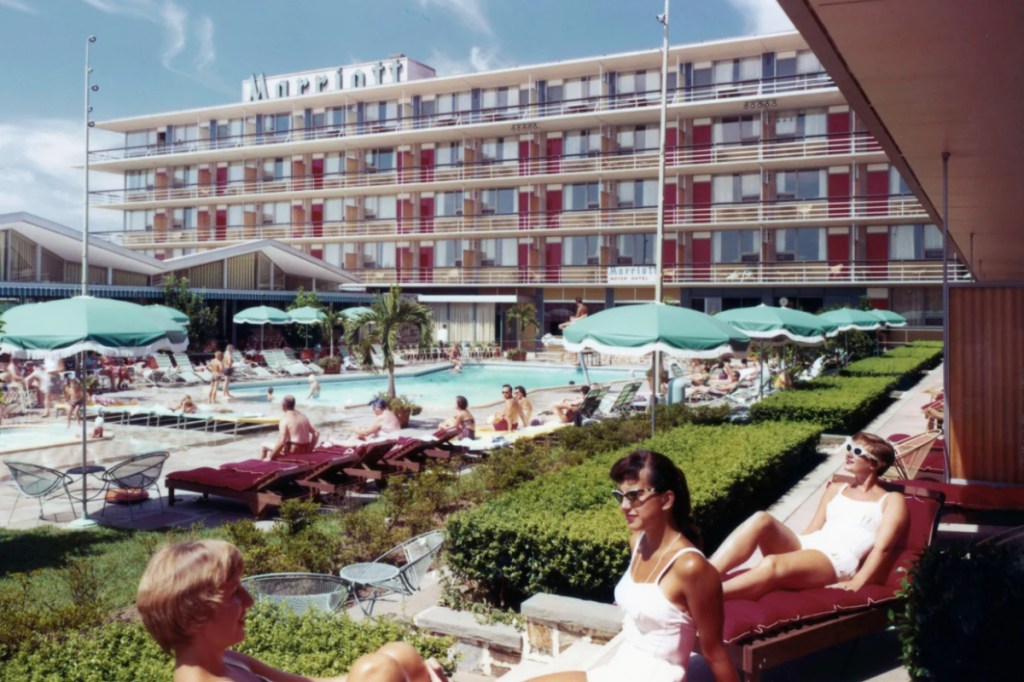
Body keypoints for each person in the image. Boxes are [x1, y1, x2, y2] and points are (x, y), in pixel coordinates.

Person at [527, 451, 736, 682]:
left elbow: (715, 653)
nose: (624, 506)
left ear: (666, 499)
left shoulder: (690, 567)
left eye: (635, 496)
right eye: (621, 496)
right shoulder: (637, 543)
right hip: (618, 671)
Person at [136, 539, 449, 682]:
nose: (249, 601)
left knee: (397, 654)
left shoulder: (229, 661)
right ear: (194, 615)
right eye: (234, 593)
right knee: (379, 670)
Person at [710, 431, 909, 600]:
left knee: (771, 563)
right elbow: (814, 528)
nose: (849, 453)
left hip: (836, 559)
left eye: (857, 451)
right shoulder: (836, 489)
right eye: (849, 447)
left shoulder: (891, 500)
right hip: (810, 546)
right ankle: (703, 575)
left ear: (875, 464)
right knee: (762, 518)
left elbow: (883, 548)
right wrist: (794, 551)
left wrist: (858, 581)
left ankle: (704, 594)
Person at [261, 395, 320, 460]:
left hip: (294, 450)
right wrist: (310, 449)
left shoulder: (285, 418)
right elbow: (316, 433)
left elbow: (282, 441)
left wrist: (270, 457)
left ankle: (261, 466)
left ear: (284, 405)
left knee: (264, 445)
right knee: (276, 449)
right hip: (306, 448)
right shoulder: (302, 416)